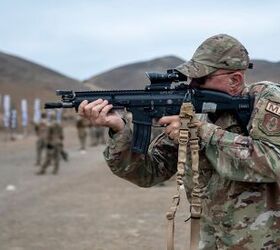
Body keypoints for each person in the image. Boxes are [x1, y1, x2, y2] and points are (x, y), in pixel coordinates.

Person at [78, 34, 280, 249]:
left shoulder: (265, 99)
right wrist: (119, 130)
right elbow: (148, 173)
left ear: (235, 80)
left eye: (200, 79)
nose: (191, 85)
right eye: (190, 78)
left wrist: (202, 131)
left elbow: (274, 161)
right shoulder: (193, 113)